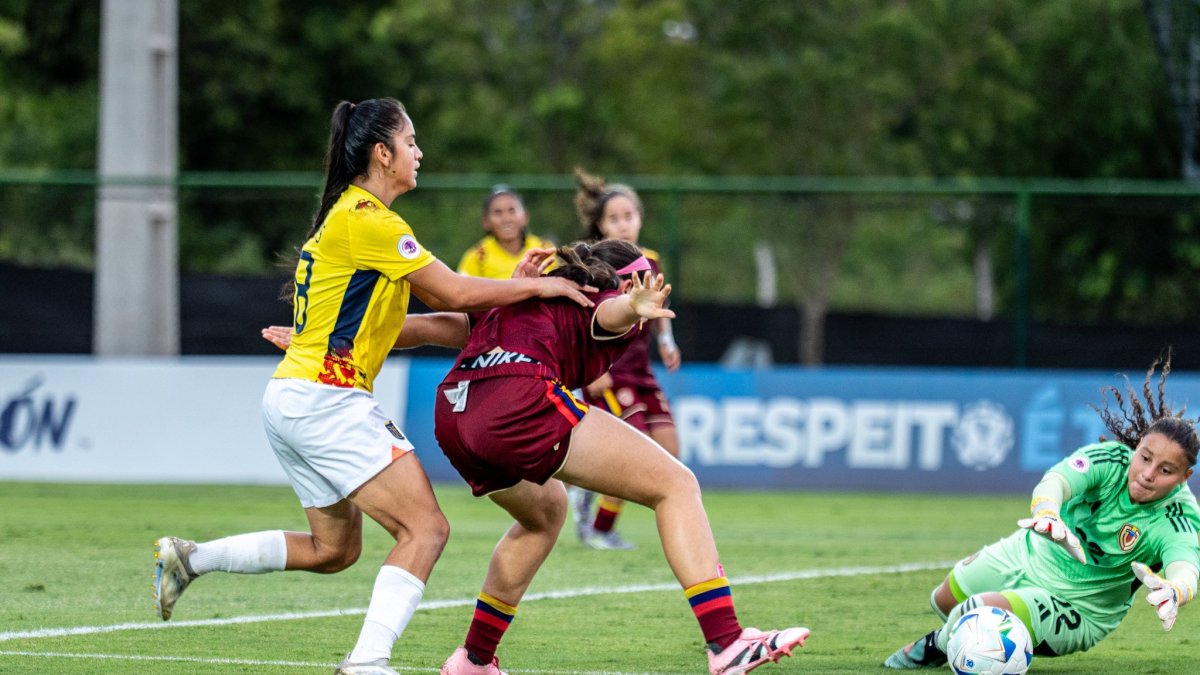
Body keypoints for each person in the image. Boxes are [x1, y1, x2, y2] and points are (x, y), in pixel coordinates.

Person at [152, 97, 592, 675]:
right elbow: (455, 294)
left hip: (295, 396)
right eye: (411, 142)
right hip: (325, 398)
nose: (419, 153)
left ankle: (191, 558)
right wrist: (538, 292)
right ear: (382, 153)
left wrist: (510, 296)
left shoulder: (353, 218)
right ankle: (366, 662)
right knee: (426, 528)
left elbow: (434, 322)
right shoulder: (370, 220)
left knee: (335, 550)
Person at [398, 238, 807, 675]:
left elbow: (427, 327)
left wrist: (337, 338)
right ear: (627, 279)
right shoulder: (600, 297)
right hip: (516, 402)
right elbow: (609, 313)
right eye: (646, 276)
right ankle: (726, 642)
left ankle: (474, 660)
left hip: (455, 414)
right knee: (676, 485)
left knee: (545, 515)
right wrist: (631, 306)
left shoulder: (523, 294)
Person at [884, 352, 1200, 669]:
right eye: (1145, 458)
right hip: (1026, 554)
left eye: (1165, 470)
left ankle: (937, 644)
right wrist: (1047, 513)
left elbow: (1186, 567)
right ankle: (959, 637)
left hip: (1077, 606)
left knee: (978, 612)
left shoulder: (1178, 519)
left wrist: (1175, 590)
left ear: (1184, 477)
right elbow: (1057, 481)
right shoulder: (1111, 460)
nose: (1148, 474)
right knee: (944, 600)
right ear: (1139, 446)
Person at [568, 167, 684, 550]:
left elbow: (658, 308)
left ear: (640, 218)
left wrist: (667, 341)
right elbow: (580, 317)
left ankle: (588, 496)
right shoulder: (594, 264)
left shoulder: (650, 260)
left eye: (629, 216)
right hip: (608, 373)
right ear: (600, 225)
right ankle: (598, 528)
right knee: (633, 454)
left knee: (671, 451)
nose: (623, 224)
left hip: (642, 372)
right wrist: (587, 371)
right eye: (614, 218)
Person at [457, 186, 554, 280]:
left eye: (512, 211)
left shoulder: (545, 250)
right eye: (498, 212)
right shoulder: (477, 257)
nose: (506, 219)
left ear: (525, 216)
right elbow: (461, 292)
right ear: (485, 221)